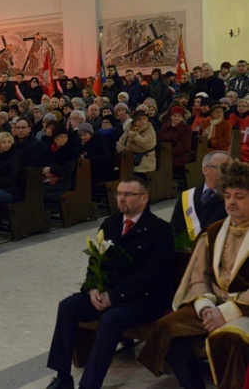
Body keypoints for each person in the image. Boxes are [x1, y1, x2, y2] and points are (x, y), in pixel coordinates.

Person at [46, 177, 174, 389]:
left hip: (142, 300)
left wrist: (113, 297)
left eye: (128, 195)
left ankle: (89, 384)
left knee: (111, 319)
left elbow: (151, 275)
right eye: (118, 194)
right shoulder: (111, 223)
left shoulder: (159, 230)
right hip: (107, 293)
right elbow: (95, 261)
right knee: (68, 306)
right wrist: (92, 288)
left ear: (144, 198)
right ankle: (62, 377)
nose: (121, 199)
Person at [138, 159, 249, 389]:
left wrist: (226, 312)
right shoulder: (214, 231)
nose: (231, 202)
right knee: (166, 328)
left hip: (244, 309)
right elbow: (199, 277)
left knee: (227, 337)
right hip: (213, 303)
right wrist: (206, 306)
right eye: (228, 196)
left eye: (239, 196)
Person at [170, 151, 230, 242]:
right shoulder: (187, 196)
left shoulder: (233, 198)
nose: (229, 172)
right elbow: (175, 227)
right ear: (206, 170)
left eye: (231, 168)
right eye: (223, 168)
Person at [116, 110, 156, 175]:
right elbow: (120, 143)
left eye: (144, 119)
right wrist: (125, 150)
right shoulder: (129, 129)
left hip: (144, 162)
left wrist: (134, 136)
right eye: (139, 119)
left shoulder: (150, 130)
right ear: (134, 121)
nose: (142, 121)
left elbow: (147, 145)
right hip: (129, 160)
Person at [158, 106, 193, 171]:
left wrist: (169, 153)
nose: (176, 118)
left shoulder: (186, 129)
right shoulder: (164, 126)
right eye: (174, 115)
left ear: (182, 118)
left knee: (165, 163)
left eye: (179, 116)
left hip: (180, 155)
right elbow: (159, 140)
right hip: (164, 152)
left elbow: (184, 145)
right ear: (171, 116)